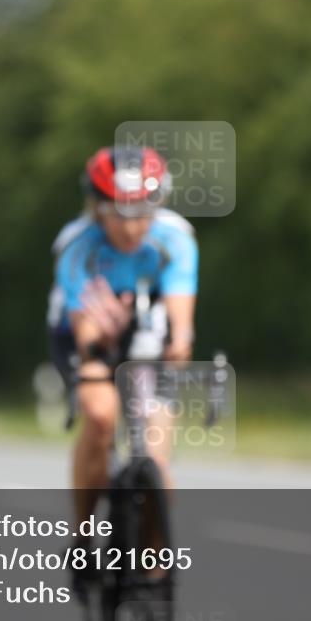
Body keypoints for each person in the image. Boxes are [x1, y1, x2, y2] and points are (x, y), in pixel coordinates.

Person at [47, 145, 198, 586]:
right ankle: (82, 540)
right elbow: (83, 327)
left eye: (143, 211)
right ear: (96, 207)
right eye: (118, 212)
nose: (132, 226)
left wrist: (181, 342)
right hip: (86, 334)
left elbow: (181, 311)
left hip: (150, 333)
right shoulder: (77, 245)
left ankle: (153, 563)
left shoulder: (176, 238)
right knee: (99, 415)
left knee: (155, 455)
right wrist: (97, 357)